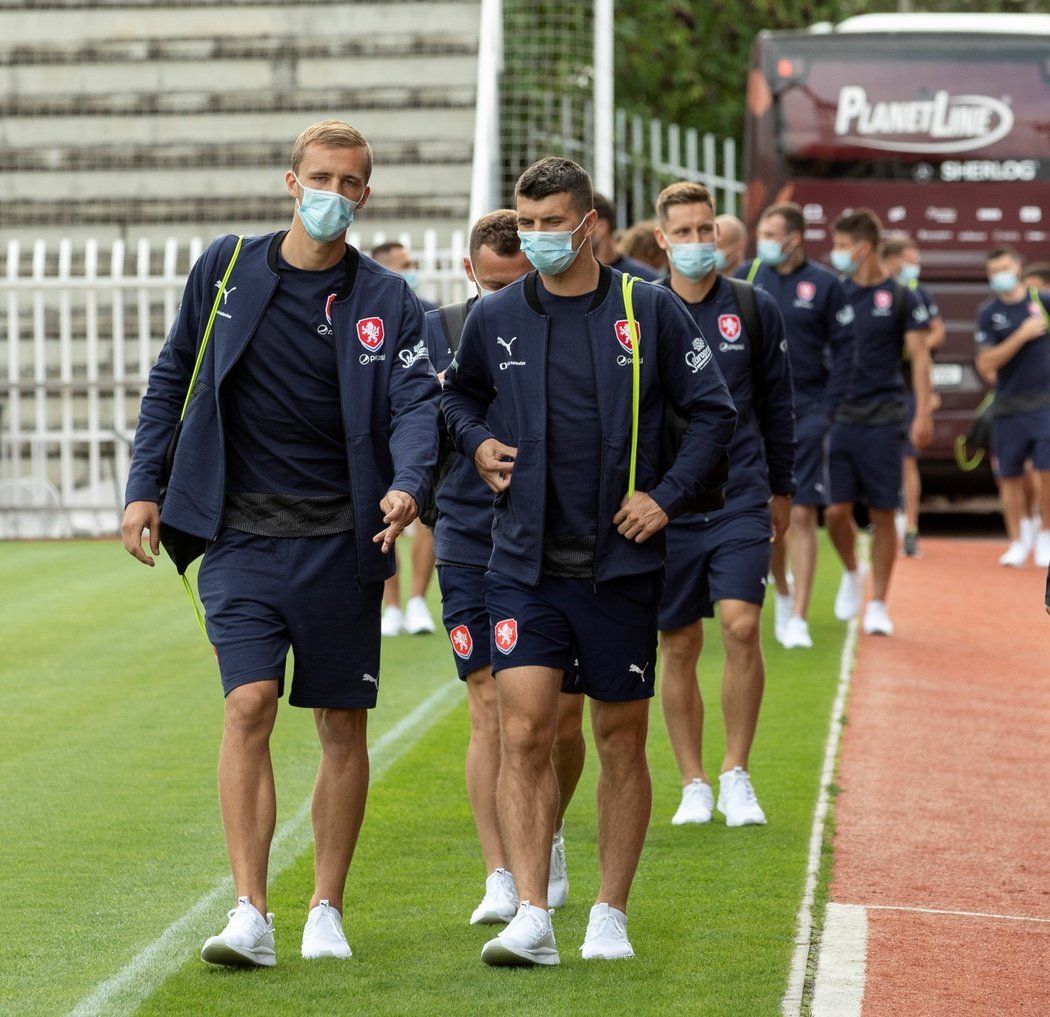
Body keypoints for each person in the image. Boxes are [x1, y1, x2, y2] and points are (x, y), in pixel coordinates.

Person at [122, 120, 440, 968]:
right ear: (290, 182)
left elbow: (416, 404)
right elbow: (172, 372)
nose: (336, 192)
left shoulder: (387, 299)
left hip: (344, 536)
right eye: (322, 177)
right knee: (248, 704)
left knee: (341, 721)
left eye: (352, 181)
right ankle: (250, 910)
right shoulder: (226, 268)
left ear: (366, 195)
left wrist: (408, 483)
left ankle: (326, 905)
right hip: (236, 533)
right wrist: (142, 487)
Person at [443, 157, 735, 966]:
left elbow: (714, 413)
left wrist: (666, 496)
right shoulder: (494, 315)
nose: (536, 237)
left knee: (617, 737)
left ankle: (610, 910)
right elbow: (457, 396)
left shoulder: (650, 310)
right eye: (524, 223)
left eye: (550, 224)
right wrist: (478, 444)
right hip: (521, 563)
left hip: (621, 565)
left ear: (588, 225)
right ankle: (531, 912)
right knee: (525, 728)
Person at [425, 209, 586, 925]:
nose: (504, 298)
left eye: (517, 282)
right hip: (466, 537)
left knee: (562, 716)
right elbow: (415, 423)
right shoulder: (437, 330)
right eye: (492, 284)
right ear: (470, 274)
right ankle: (499, 870)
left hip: (554, 537)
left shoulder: (564, 321)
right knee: (489, 704)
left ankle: (544, 835)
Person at [654, 182, 795, 828]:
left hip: (741, 493)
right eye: (682, 232)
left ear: (720, 236)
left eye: (704, 230)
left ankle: (737, 770)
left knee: (740, 623)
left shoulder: (753, 307)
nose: (695, 243)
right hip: (668, 505)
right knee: (678, 642)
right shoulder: (642, 310)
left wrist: (782, 490)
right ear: (661, 239)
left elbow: (778, 407)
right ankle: (694, 780)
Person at [738, 201, 852, 649]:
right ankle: (782, 594)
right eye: (761, 231)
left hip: (805, 412)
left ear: (794, 238)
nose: (762, 239)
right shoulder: (747, 276)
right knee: (770, 514)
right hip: (755, 415)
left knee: (803, 511)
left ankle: (800, 615)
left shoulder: (826, 284)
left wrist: (827, 411)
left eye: (770, 232)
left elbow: (845, 353)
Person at [826, 208, 933, 636]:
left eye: (839, 246)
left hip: (885, 416)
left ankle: (878, 603)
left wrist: (923, 413)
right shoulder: (834, 293)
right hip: (838, 416)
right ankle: (853, 572)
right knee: (835, 512)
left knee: (885, 512)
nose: (834, 254)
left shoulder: (902, 296)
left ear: (862, 247)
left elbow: (921, 358)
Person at [370, 241, 440, 635]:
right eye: (405, 265)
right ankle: (391, 606)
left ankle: (417, 601)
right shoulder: (366, 309)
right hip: (378, 431)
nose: (412, 270)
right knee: (380, 514)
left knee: (426, 513)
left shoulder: (430, 309)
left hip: (421, 428)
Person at [975, 247, 1050, 568]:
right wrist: (1021, 335)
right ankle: (1017, 540)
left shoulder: (1042, 302)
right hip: (1007, 405)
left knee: (1046, 472)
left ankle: (1045, 535)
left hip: (1044, 404)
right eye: (993, 271)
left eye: (1004, 268)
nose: (999, 276)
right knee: (1009, 477)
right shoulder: (988, 313)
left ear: (1018, 267)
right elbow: (987, 362)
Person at [882, 237, 946, 558]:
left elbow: (936, 333)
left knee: (908, 460)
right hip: (876, 391)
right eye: (910, 258)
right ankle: (883, 521)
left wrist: (912, 342)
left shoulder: (917, 293)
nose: (914, 264)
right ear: (892, 259)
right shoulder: (874, 292)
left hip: (906, 389)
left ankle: (910, 528)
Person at [591, 193, 661, 280]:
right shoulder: (573, 280)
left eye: (585, 224)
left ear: (601, 227)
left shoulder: (645, 279)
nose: (572, 232)